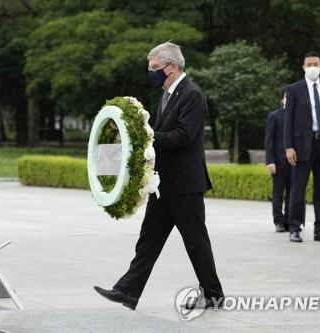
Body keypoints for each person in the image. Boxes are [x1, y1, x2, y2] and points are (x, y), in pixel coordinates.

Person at [94, 42, 224, 310]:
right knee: (148, 240)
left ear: (172, 67)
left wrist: (144, 138)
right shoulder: (167, 94)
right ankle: (127, 292)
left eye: (155, 68)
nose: (151, 73)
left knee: (195, 242)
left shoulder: (192, 95)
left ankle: (213, 294)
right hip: (164, 184)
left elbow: (184, 136)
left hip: (185, 184)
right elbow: (161, 132)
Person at [284, 51, 320, 243]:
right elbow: (288, 121)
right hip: (302, 145)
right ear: (303, 67)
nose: (312, 67)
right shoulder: (294, 89)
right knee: (298, 189)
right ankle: (294, 228)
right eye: (308, 64)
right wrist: (289, 146)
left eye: (315, 64)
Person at [265, 87, 291, 232]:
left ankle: (289, 220)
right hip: (278, 161)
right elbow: (269, 140)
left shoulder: (297, 116)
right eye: (287, 96)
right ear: (282, 99)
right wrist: (270, 161)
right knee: (278, 193)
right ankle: (278, 221)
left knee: (292, 193)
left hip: (294, 161)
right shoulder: (274, 116)